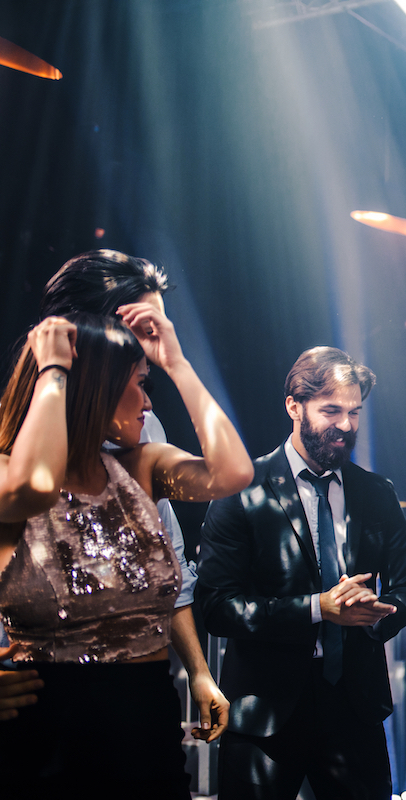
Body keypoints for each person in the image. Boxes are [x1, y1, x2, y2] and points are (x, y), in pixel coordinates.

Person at [0, 306, 253, 798]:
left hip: (147, 725)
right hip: (47, 737)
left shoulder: (141, 466)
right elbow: (38, 482)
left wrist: (176, 362)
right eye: (139, 384)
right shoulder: (10, 474)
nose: (147, 404)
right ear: (94, 386)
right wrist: (54, 370)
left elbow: (233, 473)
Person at [196, 346, 406, 800]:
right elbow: (217, 608)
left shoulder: (377, 492)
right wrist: (317, 610)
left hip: (355, 705)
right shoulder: (241, 486)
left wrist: (381, 613)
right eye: (331, 411)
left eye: (354, 412)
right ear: (293, 406)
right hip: (265, 710)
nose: (346, 425)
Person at [22, 248, 229, 739]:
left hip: (136, 695)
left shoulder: (145, 425)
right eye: (144, 326)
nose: (156, 344)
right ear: (86, 331)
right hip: (38, 698)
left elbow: (168, 558)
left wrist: (198, 671)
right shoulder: (17, 431)